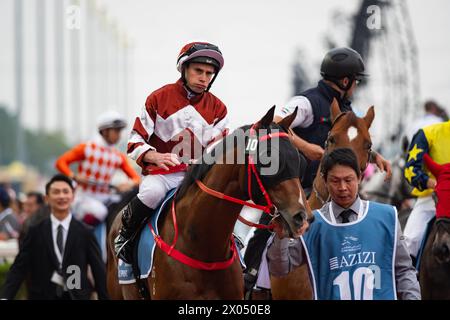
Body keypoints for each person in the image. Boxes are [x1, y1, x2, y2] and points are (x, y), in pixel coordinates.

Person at [243, 47, 392, 295]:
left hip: (333, 186)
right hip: (297, 186)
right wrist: (306, 147)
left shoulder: (346, 109)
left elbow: (351, 143)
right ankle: (250, 278)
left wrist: (375, 157)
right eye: (356, 81)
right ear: (345, 81)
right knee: (267, 226)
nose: (356, 86)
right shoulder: (306, 102)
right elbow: (274, 125)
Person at [114, 41, 229, 263]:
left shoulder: (219, 108)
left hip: (197, 177)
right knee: (151, 194)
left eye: (209, 73)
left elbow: (219, 147)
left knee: (220, 200)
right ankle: (125, 236)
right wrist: (154, 156)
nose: (204, 78)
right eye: (198, 71)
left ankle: (230, 244)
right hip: (161, 176)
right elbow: (135, 140)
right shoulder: (158, 98)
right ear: (184, 69)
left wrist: (205, 162)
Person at [266, 148, 420, 300]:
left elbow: (404, 270)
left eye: (348, 180)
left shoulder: (387, 216)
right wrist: (281, 239)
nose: (342, 187)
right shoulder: (311, 224)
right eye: (335, 181)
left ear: (359, 178)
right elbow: (279, 269)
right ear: (324, 181)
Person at [1, 174, 109, 300]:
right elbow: (19, 268)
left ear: (72, 197)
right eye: (56, 192)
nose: (61, 196)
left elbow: (98, 270)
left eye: (65, 192)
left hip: (76, 295)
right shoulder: (35, 232)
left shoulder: (85, 232)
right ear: (47, 198)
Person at [55, 111, 140, 226]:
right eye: (116, 131)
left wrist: (129, 184)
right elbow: (60, 162)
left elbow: (136, 178)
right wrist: (74, 176)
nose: (119, 135)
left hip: (106, 198)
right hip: (84, 196)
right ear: (104, 131)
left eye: (120, 131)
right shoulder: (86, 148)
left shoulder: (118, 156)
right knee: (100, 212)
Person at [403, 119, 450, 264]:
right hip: (433, 197)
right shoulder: (428, 133)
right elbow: (411, 170)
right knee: (411, 239)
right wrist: (432, 183)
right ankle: (405, 283)